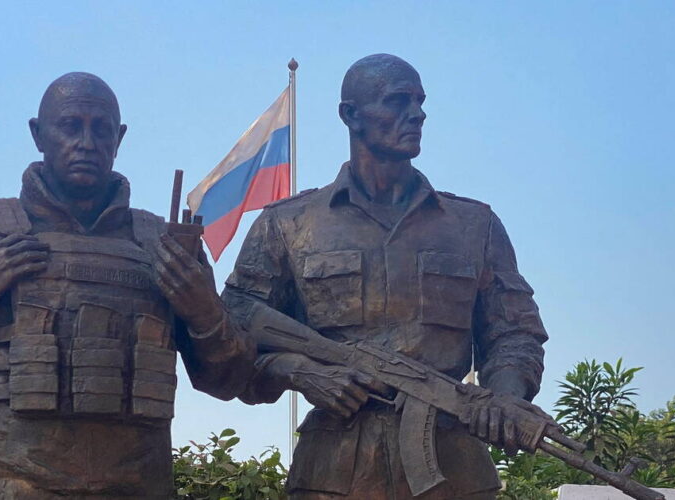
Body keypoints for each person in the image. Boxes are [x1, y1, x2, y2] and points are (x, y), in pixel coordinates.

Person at [0, 72, 252, 499]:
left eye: (102, 129)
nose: (87, 143)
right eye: (71, 126)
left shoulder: (163, 246)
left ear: (120, 138)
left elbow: (230, 381)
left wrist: (205, 313)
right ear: (39, 134)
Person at [222, 54, 548, 499]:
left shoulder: (475, 225)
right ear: (350, 115)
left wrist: (507, 398)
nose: (416, 114)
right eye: (397, 101)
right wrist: (296, 369)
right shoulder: (290, 225)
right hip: (333, 476)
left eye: (419, 102)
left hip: (454, 471)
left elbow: (515, 334)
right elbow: (234, 339)